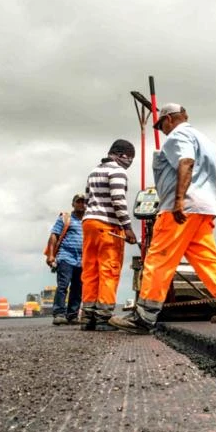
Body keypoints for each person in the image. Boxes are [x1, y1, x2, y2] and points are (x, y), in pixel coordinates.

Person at [110, 103, 216, 334]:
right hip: (204, 208)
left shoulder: (177, 136)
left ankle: (144, 316)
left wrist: (178, 201)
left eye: (161, 124)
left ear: (170, 119)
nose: (162, 130)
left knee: (158, 258)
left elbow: (186, 162)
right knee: (206, 258)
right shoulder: (204, 139)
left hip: (182, 209)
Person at [81, 140, 138, 330]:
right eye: (130, 157)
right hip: (108, 226)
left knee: (90, 270)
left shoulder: (94, 171)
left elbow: (88, 199)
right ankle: (104, 318)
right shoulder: (118, 172)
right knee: (109, 270)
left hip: (89, 223)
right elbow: (118, 200)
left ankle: (87, 317)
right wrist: (128, 227)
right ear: (122, 155)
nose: (130, 162)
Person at [45, 194, 86, 325]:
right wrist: (51, 255)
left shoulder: (88, 221)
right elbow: (54, 236)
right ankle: (59, 313)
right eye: (78, 202)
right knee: (63, 285)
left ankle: (72, 315)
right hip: (65, 257)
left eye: (84, 202)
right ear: (73, 204)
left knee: (78, 287)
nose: (81, 204)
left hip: (82, 259)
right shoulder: (65, 218)